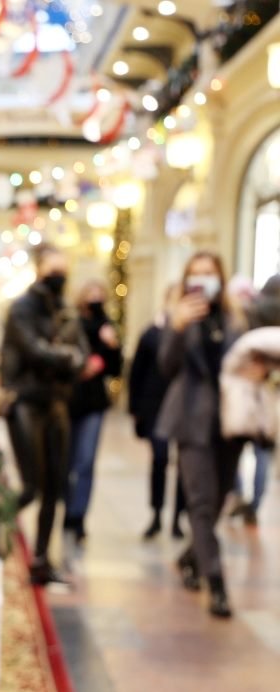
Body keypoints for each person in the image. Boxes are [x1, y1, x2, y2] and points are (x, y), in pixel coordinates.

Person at [156, 251, 246, 618]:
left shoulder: (235, 318)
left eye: (209, 273)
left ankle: (189, 558)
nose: (203, 280)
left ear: (221, 278)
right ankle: (217, 583)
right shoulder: (180, 318)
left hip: (230, 423)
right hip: (192, 421)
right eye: (196, 274)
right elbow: (167, 366)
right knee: (201, 503)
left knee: (219, 500)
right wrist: (176, 328)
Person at [1, 244, 89, 586]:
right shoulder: (22, 308)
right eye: (54, 269)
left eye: (63, 269)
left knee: (55, 486)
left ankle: (41, 559)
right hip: (25, 402)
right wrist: (66, 357)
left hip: (57, 403)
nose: (60, 276)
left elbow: (82, 353)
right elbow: (35, 352)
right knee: (31, 487)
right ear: (39, 270)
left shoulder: (66, 310)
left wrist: (66, 357)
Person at [63, 280, 123, 544]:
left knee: (85, 462)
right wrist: (81, 365)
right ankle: (66, 509)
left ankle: (78, 517)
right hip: (69, 399)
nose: (96, 298)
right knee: (66, 462)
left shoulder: (107, 326)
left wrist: (111, 348)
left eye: (100, 293)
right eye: (91, 293)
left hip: (94, 403)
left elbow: (116, 369)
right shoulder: (71, 322)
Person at [128, 297, 187, 539]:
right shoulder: (151, 334)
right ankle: (156, 514)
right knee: (160, 459)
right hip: (154, 406)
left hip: (184, 407)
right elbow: (137, 373)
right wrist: (136, 409)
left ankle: (177, 519)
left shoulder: (191, 334)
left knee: (185, 465)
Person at [229, 274, 280, 525]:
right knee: (262, 452)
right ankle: (255, 504)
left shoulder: (250, 313)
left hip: (243, 390)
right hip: (268, 393)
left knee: (235, 447)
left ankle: (238, 493)